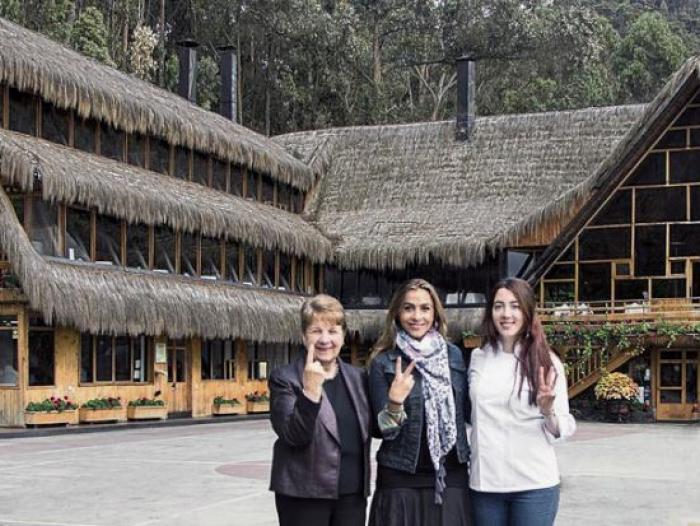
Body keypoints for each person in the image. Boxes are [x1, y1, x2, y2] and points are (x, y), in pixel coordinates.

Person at [469, 277, 576, 526]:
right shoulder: (478, 358)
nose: (506, 314)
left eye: (515, 306)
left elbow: (564, 428)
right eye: (499, 306)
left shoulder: (547, 361)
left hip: (534, 485)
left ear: (528, 311)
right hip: (485, 484)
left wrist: (547, 411)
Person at [368, 278, 471, 526]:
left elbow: (467, 412)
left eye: (425, 308)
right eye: (408, 308)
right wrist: (394, 403)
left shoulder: (453, 355)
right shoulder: (384, 362)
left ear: (435, 314)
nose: (417, 316)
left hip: (451, 475)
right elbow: (382, 431)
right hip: (400, 477)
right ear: (397, 314)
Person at [269, 294, 371, 526]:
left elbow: (376, 429)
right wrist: (311, 393)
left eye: (333, 331)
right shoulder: (284, 378)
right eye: (316, 331)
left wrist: (395, 403)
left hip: (352, 495)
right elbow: (294, 436)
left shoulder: (357, 378)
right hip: (304, 495)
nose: (325, 339)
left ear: (343, 336)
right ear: (304, 336)